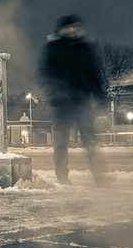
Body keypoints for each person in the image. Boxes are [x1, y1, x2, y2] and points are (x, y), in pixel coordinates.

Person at [39, 14, 108, 185]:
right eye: (69, 27)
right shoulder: (53, 48)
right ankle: (62, 175)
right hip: (61, 103)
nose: (73, 30)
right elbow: (46, 73)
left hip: (81, 99)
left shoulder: (84, 47)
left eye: (76, 27)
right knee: (61, 141)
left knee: (90, 139)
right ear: (62, 29)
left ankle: (99, 175)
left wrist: (100, 94)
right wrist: (56, 92)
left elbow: (93, 73)